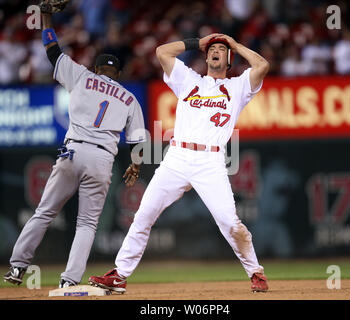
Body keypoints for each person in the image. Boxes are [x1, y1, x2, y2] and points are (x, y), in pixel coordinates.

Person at [89, 33, 270, 293]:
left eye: (221, 49)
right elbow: (163, 52)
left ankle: (256, 272)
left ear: (228, 58)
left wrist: (235, 45)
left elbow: (262, 66)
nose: (216, 51)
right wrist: (199, 42)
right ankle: (120, 275)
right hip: (178, 158)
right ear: (206, 56)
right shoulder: (189, 80)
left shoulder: (237, 87)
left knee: (230, 223)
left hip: (211, 160)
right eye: (212, 49)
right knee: (143, 215)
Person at [3, 5, 146, 288]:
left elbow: (51, 48)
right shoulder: (129, 98)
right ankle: (69, 282)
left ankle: (18, 268)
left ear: (97, 69)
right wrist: (135, 165)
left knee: (44, 212)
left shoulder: (82, 76)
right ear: (117, 74)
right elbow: (139, 141)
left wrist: (45, 15)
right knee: (87, 224)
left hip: (73, 151)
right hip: (102, 160)